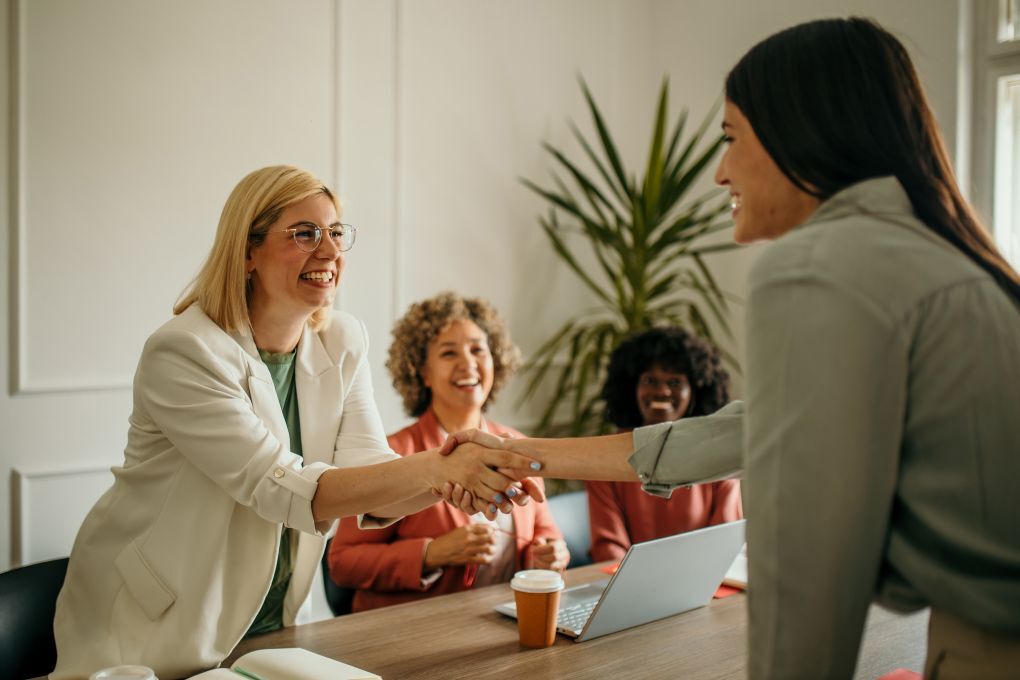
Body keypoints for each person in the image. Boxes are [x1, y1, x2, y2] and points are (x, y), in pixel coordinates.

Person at [441, 17, 1020, 679]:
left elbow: (809, 573)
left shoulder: (817, 266)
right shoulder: (943, 254)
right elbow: (733, 436)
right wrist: (525, 453)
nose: (719, 173)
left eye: (730, 138)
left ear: (800, 132)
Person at [50, 166, 540, 679]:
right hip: (152, 626)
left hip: (273, 624)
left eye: (335, 233)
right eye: (305, 234)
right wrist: (445, 468)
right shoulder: (184, 351)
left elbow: (375, 481)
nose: (329, 253)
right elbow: (279, 486)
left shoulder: (342, 340)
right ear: (247, 252)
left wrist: (454, 477)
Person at [328, 292, 568, 611]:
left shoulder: (518, 446)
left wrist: (552, 553)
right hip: (409, 637)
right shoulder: (391, 452)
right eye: (449, 353)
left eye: (478, 350)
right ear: (422, 372)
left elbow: (546, 534)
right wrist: (433, 553)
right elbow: (343, 563)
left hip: (504, 626)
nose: (467, 363)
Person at [587, 327, 742, 563]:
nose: (662, 391)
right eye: (650, 380)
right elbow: (609, 549)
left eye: (675, 382)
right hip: (628, 586)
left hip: (703, 582)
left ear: (695, 393)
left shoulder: (717, 454)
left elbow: (725, 542)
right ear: (631, 388)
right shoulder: (606, 456)